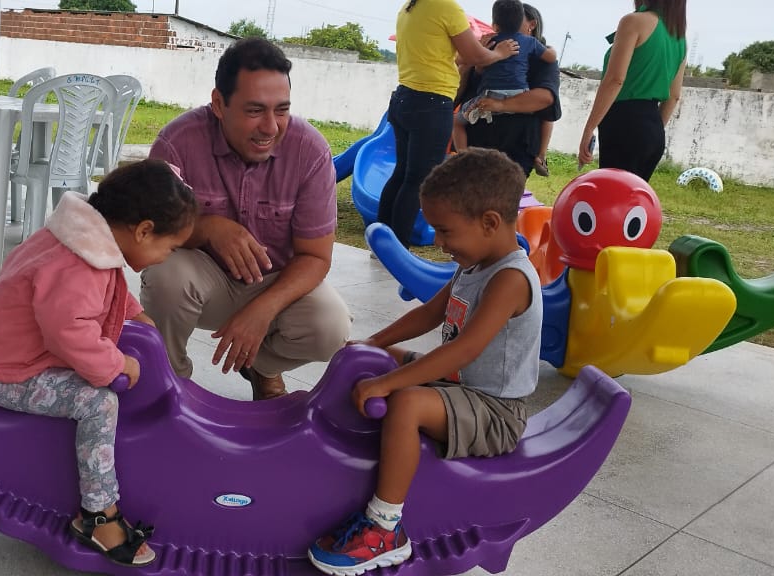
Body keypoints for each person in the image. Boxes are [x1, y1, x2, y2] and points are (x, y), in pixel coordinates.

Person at [307, 149, 543, 574]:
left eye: (445, 230)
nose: (439, 241)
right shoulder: (475, 264)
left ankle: (383, 528)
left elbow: (465, 348)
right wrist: (376, 342)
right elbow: (429, 312)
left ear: (490, 222)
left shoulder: (510, 277)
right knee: (376, 358)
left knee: (406, 402)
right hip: (460, 385)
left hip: (494, 410)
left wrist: (387, 386)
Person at [0, 159, 198, 568]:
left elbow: (103, 290)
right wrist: (115, 365)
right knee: (99, 402)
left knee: (101, 380)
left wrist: (131, 312)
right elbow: (67, 328)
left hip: (18, 354)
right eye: (170, 247)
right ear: (143, 230)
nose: (166, 257)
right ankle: (97, 515)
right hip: (10, 373)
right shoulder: (79, 261)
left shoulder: (84, 238)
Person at [141, 38, 352, 401]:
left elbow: (316, 257)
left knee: (330, 327)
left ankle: (262, 366)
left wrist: (261, 311)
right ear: (219, 104)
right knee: (165, 278)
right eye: (255, 110)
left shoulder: (311, 150)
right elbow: (148, 234)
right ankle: (168, 385)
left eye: (281, 110)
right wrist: (206, 228)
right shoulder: (177, 142)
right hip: (201, 281)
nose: (271, 127)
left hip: (274, 284)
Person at [377, 0, 518, 247]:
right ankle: (396, 249)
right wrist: (499, 53)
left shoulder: (410, 7)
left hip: (404, 97)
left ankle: (380, 243)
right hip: (430, 103)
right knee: (417, 180)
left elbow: (456, 56)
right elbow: (475, 56)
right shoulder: (445, 7)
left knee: (401, 174)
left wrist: (478, 51)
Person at [577, 0, 688, 181]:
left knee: (614, 198)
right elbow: (674, 96)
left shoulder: (634, 22)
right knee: (633, 203)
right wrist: (652, 130)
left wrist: (589, 128)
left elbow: (615, 80)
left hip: (623, 123)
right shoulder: (679, 38)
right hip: (654, 128)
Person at [463, 2, 561, 177]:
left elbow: (545, 98)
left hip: (518, 142)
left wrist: (500, 104)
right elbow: (464, 87)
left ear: (532, 24)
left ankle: (541, 155)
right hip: (480, 139)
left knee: (503, 197)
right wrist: (481, 56)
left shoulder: (541, 58)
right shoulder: (491, 46)